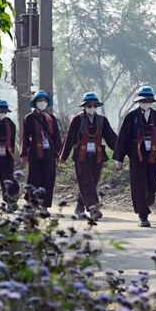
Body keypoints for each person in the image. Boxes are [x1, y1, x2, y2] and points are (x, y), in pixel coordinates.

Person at [113, 86, 156, 227]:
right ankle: (143, 216)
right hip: (137, 156)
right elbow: (123, 138)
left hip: (154, 154)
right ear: (139, 101)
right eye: (143, 100)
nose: (146, 102)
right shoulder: (131, 117)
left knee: (152, 186)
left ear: (152, 101)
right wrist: (119, 158)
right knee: (138, 185)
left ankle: (146, 203)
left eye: (149, 100)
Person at [60, 92, 118, 220]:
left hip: (97, 156)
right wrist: (63, 156)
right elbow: (69, 139)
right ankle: (93, 209)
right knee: (86, 181)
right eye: (89, 105)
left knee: (93, 182)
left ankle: (80, 206)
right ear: (84, 106)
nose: (92, 108)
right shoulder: (77, 120)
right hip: (81, 156)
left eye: (94, 105)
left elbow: (111, 138)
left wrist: (121, 152)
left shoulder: (102, 120)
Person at [19, 90, 62, 209]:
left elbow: (56, 137)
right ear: (35, 102)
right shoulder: (29, 118)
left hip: (49, 152)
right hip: (34, 152)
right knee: (34, 178)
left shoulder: (51, 118)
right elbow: (25, 137)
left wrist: (60, 154)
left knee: (49, 178)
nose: (42, 102)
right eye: (39, 101)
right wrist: (24, 155)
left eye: (44, 100)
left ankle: (44, 205)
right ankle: (32, 202)